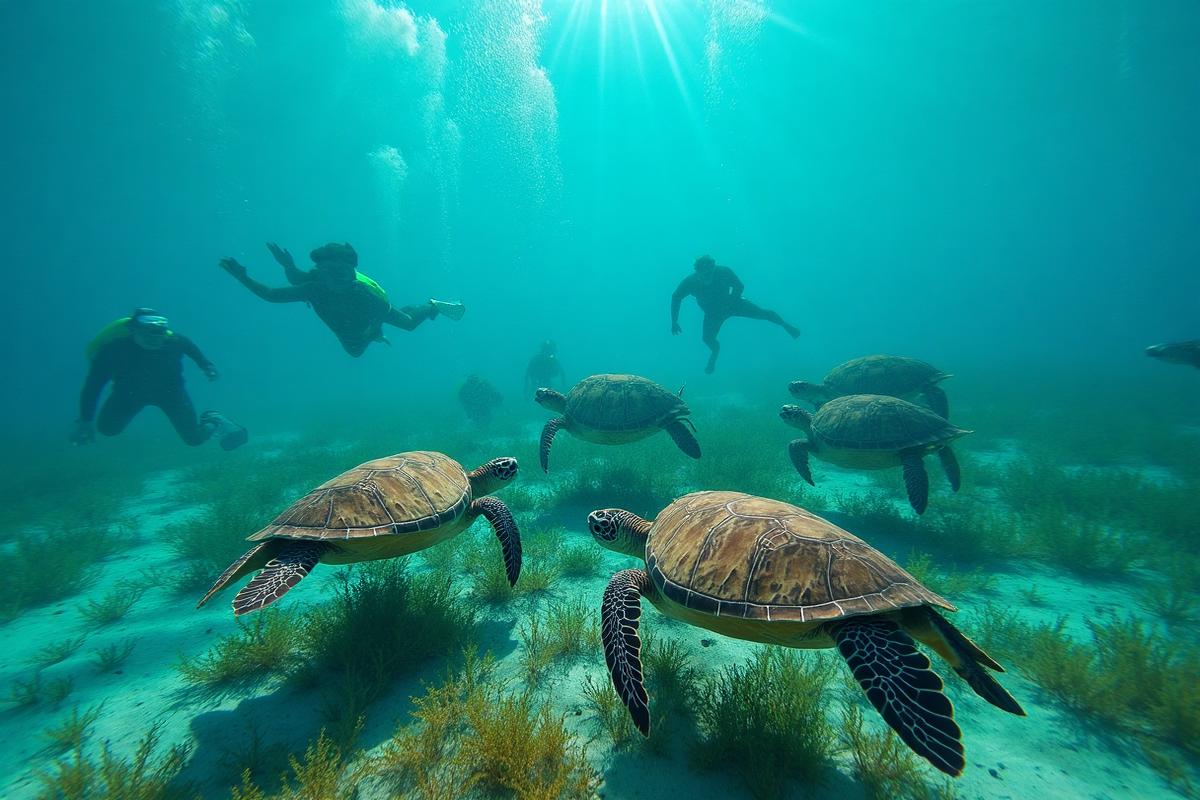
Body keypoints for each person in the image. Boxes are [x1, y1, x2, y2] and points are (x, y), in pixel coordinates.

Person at [219, 242, 465, 357]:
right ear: (321, 274)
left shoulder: (366, 296)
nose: (337, 279)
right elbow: (274, 294)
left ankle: (431, 305)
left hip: (368, 324)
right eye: (329, 272)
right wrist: (245, 276)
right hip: (350, 333)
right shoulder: (314, 288)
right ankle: (373, 335)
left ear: (352, 274)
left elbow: (395, 320)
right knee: (355, 352)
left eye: (343, 272)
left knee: (408, 323)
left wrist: (373, 332)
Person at [71, 309, 247, 449]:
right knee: (107, 429)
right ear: (132, 330)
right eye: (148, 333)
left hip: (172, 395)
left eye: (159, 333)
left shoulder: (174, 342)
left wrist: (206, 365)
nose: (155, 339)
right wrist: (85, 420)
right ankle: (215, 420)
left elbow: (190, 348)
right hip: (127, 396)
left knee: (194, 439)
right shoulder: (111, 352)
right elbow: (92, 387)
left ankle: (214, 420)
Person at [671, 255, 801, 374]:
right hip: (712, 314)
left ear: (714, 267)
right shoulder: (690, 282)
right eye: (703, 274)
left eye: (710, 272)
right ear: (697, 271)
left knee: (764, 313)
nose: (707, 276)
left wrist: (731, 301)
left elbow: (739, 286)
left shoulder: (723, 272)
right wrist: (674, 321)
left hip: (733, 304)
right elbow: (676, 297)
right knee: (707, 339)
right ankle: (715, 351)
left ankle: (785, 325)